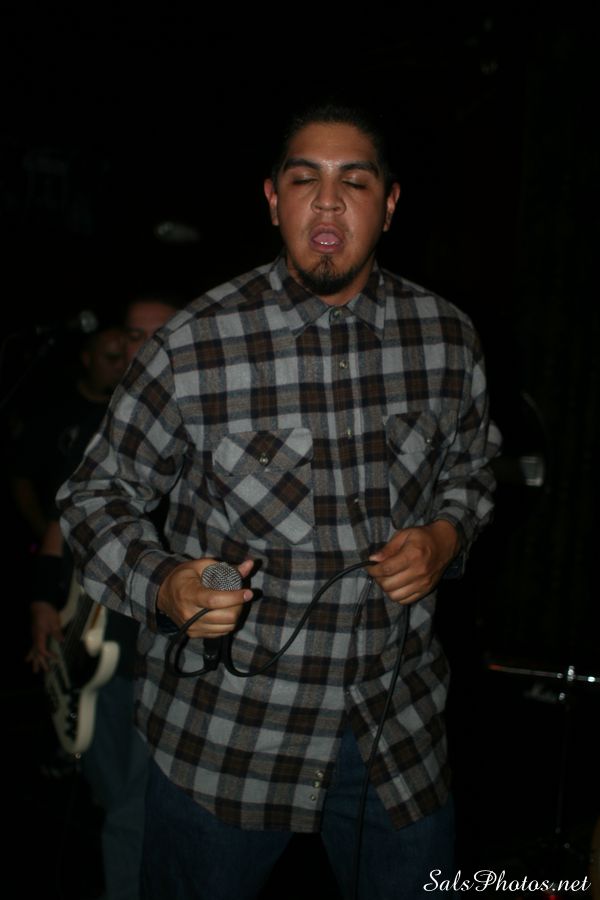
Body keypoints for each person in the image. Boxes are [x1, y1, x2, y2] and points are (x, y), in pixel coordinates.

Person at [58, 103, 500, 900]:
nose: (328, 202)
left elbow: (473, 466)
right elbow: (93, 497)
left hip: (395, 734)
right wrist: (164, 584)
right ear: (272, 200)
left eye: (354, 182)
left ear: (389, 204)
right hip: (228, 736)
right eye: (305, 180)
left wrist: (444, 536)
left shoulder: (446, 337)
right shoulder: (192, 345)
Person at [29, 299, 178, 900]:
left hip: (164, 651)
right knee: (113, 798)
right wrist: (44, 603)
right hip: (91, 638)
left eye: (156, 335)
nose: (140, 348)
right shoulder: (103, 423)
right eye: (133, 335)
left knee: (136, 809)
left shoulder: (210, 419)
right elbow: (61, 520)